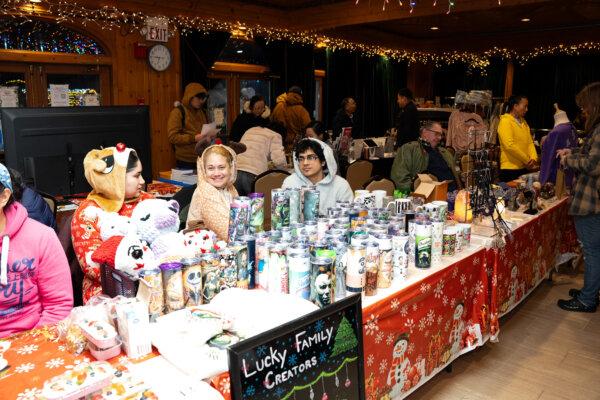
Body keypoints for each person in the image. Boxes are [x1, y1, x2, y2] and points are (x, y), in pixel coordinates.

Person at [71, 144, 153, 303]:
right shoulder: (89, 213)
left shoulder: (147, 201)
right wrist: (143, 269)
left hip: (152, 287)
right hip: (107, 296)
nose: (142, 181)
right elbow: (94, 266)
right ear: (116, 178)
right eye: (137, 175)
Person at [0, 163, 72, 337]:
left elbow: (58, 305)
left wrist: (29, 345)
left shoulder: (41, 237)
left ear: (3, 197)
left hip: (33, 337)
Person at [557, 82, 600, 313]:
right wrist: (571, 152)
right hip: (592, 199)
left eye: (585, 106)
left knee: (592, 252)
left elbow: (592, 164)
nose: (583, 111)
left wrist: (567, 160)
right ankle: (591, 292)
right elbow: (589, 154)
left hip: (590, 201)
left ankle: (587, 299)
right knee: (595, 251)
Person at [282, 138, 353, 215]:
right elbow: (283, 216)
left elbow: (348, 217)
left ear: (323, 161)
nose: (305, 163)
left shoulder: (340, 185)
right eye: (301, 158)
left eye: (311, 158)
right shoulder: (291, 183)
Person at [391, 121, 462, 192]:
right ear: (425, 132)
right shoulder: (409, 149)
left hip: (456, 194)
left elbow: (456, 174)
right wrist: (416, 194)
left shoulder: (445, 152)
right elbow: (400, 178)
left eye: (441, 135)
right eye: (437, 134)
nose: (440, 138)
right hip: (430, 196)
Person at [187, 145, 238, 241]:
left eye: (221, 167)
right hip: (201, 250)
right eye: (211, 168)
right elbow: (230, 234)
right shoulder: (205, 192)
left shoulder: (230, 188)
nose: (216, 173)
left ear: (231, 168)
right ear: (204, 170)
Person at [167, 82, 215, 169]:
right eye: (199, 98)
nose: (201, 101)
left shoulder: (203, 112)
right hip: (185, 161)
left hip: (202, 158)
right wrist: (194, 138)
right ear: (190, 96)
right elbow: (172, 137)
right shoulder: (178, 112)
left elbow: (207, 130)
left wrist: (211, 135)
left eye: (203, 99)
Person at [235, 122, 287, 196]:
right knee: (256, 205)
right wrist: (286, 172)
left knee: (240, 204)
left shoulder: (251, 130)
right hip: (253, 173)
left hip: (236, 171)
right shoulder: (275, 135)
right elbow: (279, 161)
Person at [497, 95, 539, 182]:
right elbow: (509, 146)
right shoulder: (505, 121)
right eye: (525, 106)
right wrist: (527, 160)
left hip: (524, 168)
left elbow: (530, 143)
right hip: (510, 169)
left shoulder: (524, 122)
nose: (527, 109)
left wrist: (533, 159)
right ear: (515, 106)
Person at [539, 103, 578, 187]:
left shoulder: (556, 132)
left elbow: (548, 158)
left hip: (556, 176)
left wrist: (542, 180)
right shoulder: (573, 128)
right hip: (570, 172)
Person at [271, 86, 311, 151]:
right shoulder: (301, 110)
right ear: (300, 96)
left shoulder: (278, 106)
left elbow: (272, 124)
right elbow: (309, 128)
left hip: (279, 144)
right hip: (296, 145)